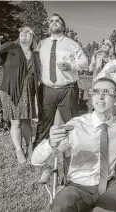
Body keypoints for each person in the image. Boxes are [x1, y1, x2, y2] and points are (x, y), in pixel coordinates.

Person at [31, 77, 116, 212]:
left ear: (115, 100)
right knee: (60, 206)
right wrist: (51, 143)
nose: (100, 96)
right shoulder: (76, 125)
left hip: (108, 185)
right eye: (96, 92)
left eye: (106, 92)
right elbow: (36, 161)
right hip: (78, 187)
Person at [34, 13, 89, 148]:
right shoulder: (41, 44)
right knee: (44, 121)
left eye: (58, 20)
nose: (54, 22)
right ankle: (40, 149)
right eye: (51, 21)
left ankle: (75, 148)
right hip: (47, 89)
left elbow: (84, 62)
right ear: (48, 27)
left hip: (68, 89)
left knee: (71, 121)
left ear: (63, 26)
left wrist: (71, 66)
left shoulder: (72, 44)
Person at [0, 26, 39, 163]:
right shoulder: (10, 47)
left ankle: (29, 147)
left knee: (27, 120)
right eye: (23, 31)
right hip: (11, 90)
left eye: (29, 32)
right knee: (16, 122)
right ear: (19, 34)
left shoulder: (36, 54)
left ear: (33, 38)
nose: (25, 33)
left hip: (28, 91)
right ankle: (19, 149)